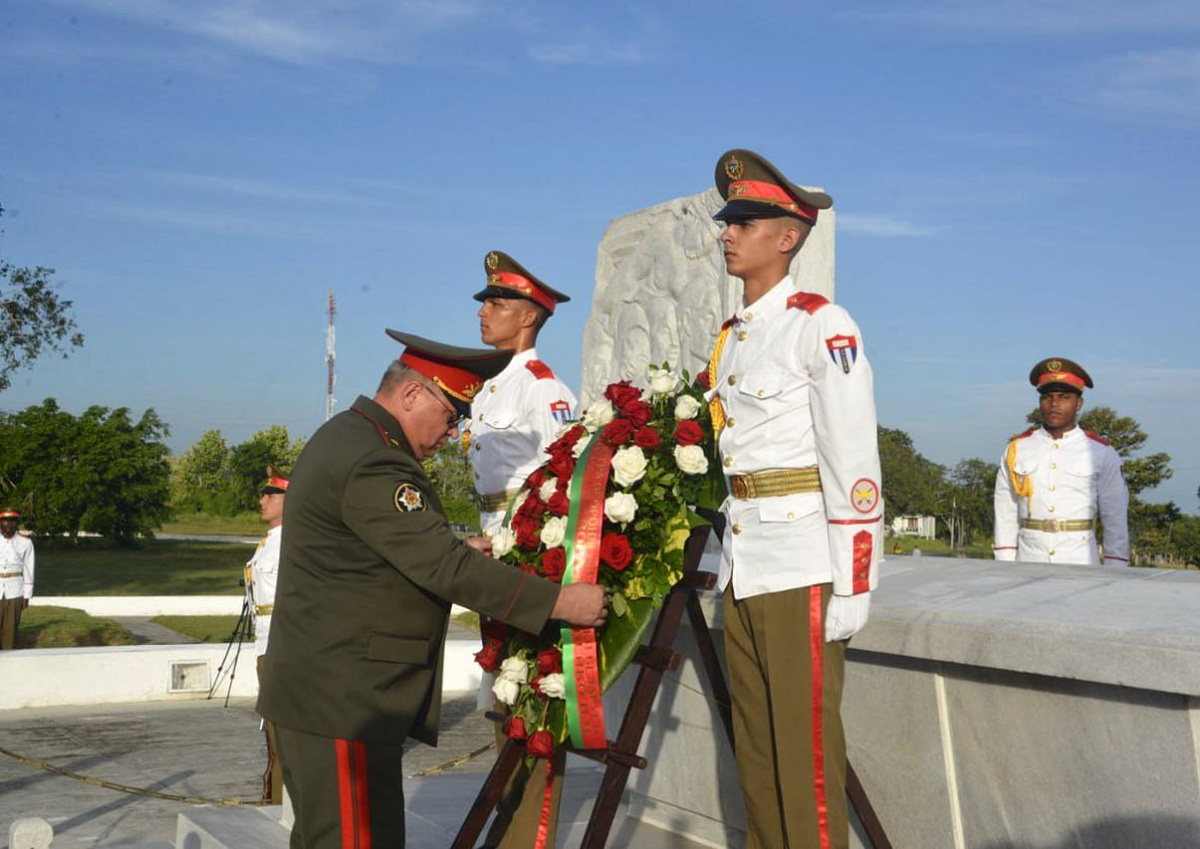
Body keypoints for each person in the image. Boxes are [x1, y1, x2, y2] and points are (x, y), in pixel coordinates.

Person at [257, 330, 608, 848]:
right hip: (345, 702)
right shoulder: (377, 459)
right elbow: (444, 568)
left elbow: (375, 548)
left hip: (327, 695)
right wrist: (560, 602)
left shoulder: (350, 436)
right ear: (411, 394)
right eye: (451, 414)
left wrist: (455, 546)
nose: (453, 433)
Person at [702, 149, 883, 849]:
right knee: (755, 746)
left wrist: (855, 578)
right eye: (727, 222)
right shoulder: (733, 338)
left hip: (802, 560)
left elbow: (851, 457)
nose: (727, 234)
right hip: (745, 560)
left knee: (804, 754)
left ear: (786, 236)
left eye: (743, 223)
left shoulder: (821, 323)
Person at [468, 250, 576, 847]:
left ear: (529, 316)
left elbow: (565, 481)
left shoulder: (544, 389)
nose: (484, 312)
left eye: (498, 303)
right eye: (484, 302)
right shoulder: (488, 387)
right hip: (494, 547)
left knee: (533, 701)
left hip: (528, 554)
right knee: (502, 696)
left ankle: (529, 836)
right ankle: (508, 825)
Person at [993, 357, 1129, 566]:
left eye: (1064, 397)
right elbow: (1006, 513)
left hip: (1080, 560)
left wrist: (1116, 568)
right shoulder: (1017, 449)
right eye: (1047, 397)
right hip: (1029, 559)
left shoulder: (1101, 452)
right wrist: (1005, 564)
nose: (1054, 404)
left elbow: (1115, 518)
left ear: (1079, 403)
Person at [246, 467, 288, 803]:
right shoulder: (268, 542)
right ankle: (274, 793)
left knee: (281, 727)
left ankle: (281, 798)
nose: (263, 500)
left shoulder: (292, 541)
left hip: (282, 642)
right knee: (272, 727)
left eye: (271, 495)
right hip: (264, 639)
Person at [0, 508, 35, 651]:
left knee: (11, 629)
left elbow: (28, 569)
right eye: (5, 521)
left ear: (16, 523)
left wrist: (27, 595)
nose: (9, 524)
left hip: (15, 591)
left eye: (12, 521)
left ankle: (9, 659)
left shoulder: (25, 543)